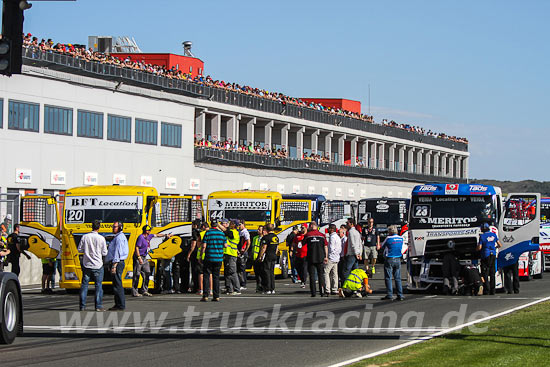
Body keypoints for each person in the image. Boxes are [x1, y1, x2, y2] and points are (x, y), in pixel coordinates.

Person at [132, 225, 170, 297]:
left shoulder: (148, 236)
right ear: (146, 231)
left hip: (144, 257)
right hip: (139, 257)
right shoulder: (141, 237)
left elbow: (157, 235)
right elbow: (137, 247)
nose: (150, 231)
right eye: (149, 230)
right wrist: (139, 257)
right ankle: (135, 291)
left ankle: (144, 290)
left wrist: (166, 235)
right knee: (136, 274)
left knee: (147, 273)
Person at [78, 219, 108, 311]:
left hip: (86, 264)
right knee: (98, 286)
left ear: (91, 226)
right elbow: (104, 253)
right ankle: (98, 306)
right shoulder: (101, 238)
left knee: (84, 285)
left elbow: (80, 249)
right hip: (98, 264)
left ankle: (82, 306)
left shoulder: (85, 237)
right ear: (98, 228)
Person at [200, 218, 228, 302]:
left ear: (211, 225)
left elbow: (204, 246)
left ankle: (205, 295)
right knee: (216, 277)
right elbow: (225, 245)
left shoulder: (207, 233)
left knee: (206, 275)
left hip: (209, 257)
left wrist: (201, 256)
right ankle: (216, 296)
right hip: (218, 258)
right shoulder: (221, 234)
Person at [105, 221, 129, 311]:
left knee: (118, 284)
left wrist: (114, 265)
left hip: (117, 263)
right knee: (115, 284)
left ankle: (120, 304)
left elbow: (117, 252)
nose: (113, 228)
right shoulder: (118, 237)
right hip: (117, 262)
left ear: (119, 228)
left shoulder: (119, 238)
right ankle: (117, 303)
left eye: (114, 227)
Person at [303, 222, 328, 297]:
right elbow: (325, 246)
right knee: (321, 275)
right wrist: (326, 256)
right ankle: (322, 291)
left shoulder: (308, 235)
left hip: (311, 257)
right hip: (320, 257)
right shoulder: (322, 236)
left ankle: (313, 292)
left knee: (312, 276)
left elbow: (302, 243)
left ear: (311, 226)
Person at [380, 225, 404, 301]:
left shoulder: (388, 238)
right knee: (398, 278)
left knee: (388, 277)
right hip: (398, 258)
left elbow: (382, 245)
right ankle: (400, 295)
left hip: (390, 258)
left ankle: (390, 294)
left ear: (390, 231)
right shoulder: (401, 238)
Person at [477, 222, 502, 295]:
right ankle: (493, 290)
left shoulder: (482, 236)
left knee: (485, 273)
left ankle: (487, 290)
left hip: (485, 255)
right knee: (492, 273)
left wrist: (476, 249)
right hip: (493, 254)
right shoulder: (493, 235)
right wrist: (494, 248)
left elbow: (480, 247)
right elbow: (499, 245)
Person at [258, 223, 279, 294]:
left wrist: (260, 256)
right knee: (271, 272)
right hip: (274, 255)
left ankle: (268, 288)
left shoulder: (266, 237)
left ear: (266, 229)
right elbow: (277, 248)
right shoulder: (276, 237)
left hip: (268, 256)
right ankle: (272, 288)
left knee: (266, 272)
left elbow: (264, 248)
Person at [223, 220, 241, 295]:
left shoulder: (234, 232)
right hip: (227, 254)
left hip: (231, 254)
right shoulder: (231, 232)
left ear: (234, 225)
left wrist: (217, 224)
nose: (229, 224)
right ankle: (229, 289)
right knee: (227, 272)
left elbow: (226, 231)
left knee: (232, 272)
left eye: (231, 223)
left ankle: (237, 289)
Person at [324, 224, 342, 295]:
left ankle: (327, 289)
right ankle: (334, 288)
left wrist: (328, 256)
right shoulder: (337, 237)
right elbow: (339, 248)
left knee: (326, 272)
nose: (327, 230)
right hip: (337, 257)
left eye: (329, 228)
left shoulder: (332, 237)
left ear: (331, 229)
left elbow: (331, 248)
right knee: (335, 274)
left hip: (331, 257)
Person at [186, 219, 202, 293]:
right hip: (201, 253)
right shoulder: (202, 232)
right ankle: (200, 286)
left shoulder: (194, 232)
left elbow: (193, 244)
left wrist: (189, 254)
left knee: (195, 271)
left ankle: (196, 287)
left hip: (195, 253)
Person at [237, 220, 251, 290]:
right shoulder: (240, 232)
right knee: (239, 269)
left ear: (243, 224)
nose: (238, 226)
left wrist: (245, 250)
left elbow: (248, 242)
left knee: (242, 269)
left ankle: (243, 283)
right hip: (239, 251)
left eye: (240, 225)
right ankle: (240, 283)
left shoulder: (245, 232)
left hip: (243, 252)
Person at [252, 225, 264, 293]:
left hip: (261, 258)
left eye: (259, 230)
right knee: (256, 274)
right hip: (255, 258)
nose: (258, 231)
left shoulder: (264, 238)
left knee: (261, 273)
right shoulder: (255, 238)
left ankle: (262, 286)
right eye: (258, 229)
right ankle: (258, 286)